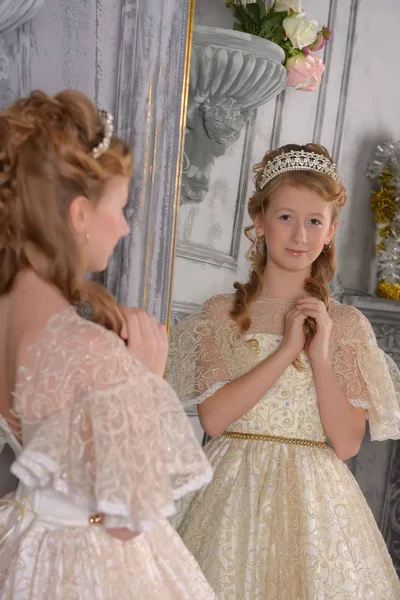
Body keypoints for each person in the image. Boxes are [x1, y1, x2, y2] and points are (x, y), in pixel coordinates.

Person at [0, 89, 216, 599]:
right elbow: (125, 520)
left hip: (24, 548)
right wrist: (142, 380)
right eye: (120, 207)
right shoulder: (82, 346)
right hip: (84, 564)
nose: (122, 226)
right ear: (79, 214)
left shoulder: (8, 312)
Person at [167, 143, 400, 599]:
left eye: (315, 221)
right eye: (286, 217)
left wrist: (319, 353)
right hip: (232, 494)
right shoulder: (222, 314)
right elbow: (215, 419)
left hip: (318, 504)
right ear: (259, 221)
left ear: (331, 231)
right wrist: (286, 349)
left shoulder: (348, 325)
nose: (300, 235)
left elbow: (347, 442)